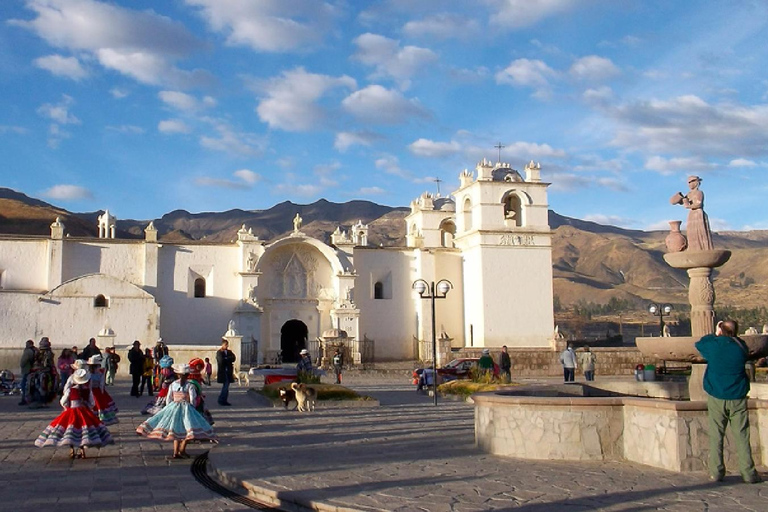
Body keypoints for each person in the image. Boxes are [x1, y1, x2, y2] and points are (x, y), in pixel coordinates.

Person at [696, 320, 761, 484]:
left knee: (716, 435)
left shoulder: (714, 346)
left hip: (717, 395)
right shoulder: (741, 347)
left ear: (721, 330)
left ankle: (716, 472)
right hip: (737, 396)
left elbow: (700, 343)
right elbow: (744, 348)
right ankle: (748, 472)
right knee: (742, 436)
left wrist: (715, 333)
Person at [136, 363, 217, 459]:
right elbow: (193, 399)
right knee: (189, 429)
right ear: (188, 375)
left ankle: (176, 452)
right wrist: (192, 408)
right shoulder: (189, 386)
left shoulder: (173, 384)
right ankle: (182, 449)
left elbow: (168, 398)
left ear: (178, 374)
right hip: (186, 408)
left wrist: (169, 407)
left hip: (174, 407)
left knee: (176, 430)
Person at [34, 368, 114, 459]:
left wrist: (66, 407)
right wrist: (87, 408)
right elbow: (92, 403)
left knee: (71, 431)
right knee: (83, 432)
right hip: (83, 412)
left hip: (71, 412)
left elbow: (63, 401)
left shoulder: (70, 390)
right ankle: (82, 451)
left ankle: (72, 450)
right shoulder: (87, 390)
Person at [673, 175, 713, 251]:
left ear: (697, 182)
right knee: (692, 233)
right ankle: (693, 248)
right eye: (688, 182)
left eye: (692, 181)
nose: (690, 184)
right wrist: (680, 197)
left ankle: (702, 248)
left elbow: (698, 204)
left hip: (698, 214)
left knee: (699, 232)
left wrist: (688, 205)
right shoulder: (689, 194)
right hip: (692, 214)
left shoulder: (699, 192)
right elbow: (672, 201)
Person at [27, 337, 59, 408]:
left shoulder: (38, 352)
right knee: (43, 387)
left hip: (40, 372)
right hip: (43, 373)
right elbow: (49, 364)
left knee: (40, 387)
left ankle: (40, 401)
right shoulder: (47, 354)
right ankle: (41, 401)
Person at [87, 355, 118, 425]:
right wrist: (101, 391)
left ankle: (96, 418)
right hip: (96, 392)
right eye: (98, 365)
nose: (99, 367)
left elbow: (92, 384)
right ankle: (98, 418)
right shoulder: (99, 373)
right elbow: (101, 384)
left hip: (94, 391)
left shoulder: (90, 373)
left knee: (96, 405)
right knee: (98, 405)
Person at [216, 339, 236, 406]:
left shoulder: (229, 352)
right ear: (222, 345)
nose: (226, 346)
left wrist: (227, 359)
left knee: (226, 386)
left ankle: (224, 400)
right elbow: (221, 361)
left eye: (227, 345)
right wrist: (227, 359)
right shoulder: (219, 352)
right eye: (225, 345)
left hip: (228, 371)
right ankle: (221, 399)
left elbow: (233, 358)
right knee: (225, 386)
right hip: (223, 371)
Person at [19, 339, 36, 406]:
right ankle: (31, 398)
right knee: (31, 385)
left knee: (24, 385)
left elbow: (23, 361)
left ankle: (24, 399)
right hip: (33, 370)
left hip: (27, 370)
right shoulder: (35, 350)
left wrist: (21, 365)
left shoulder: (28, 351)